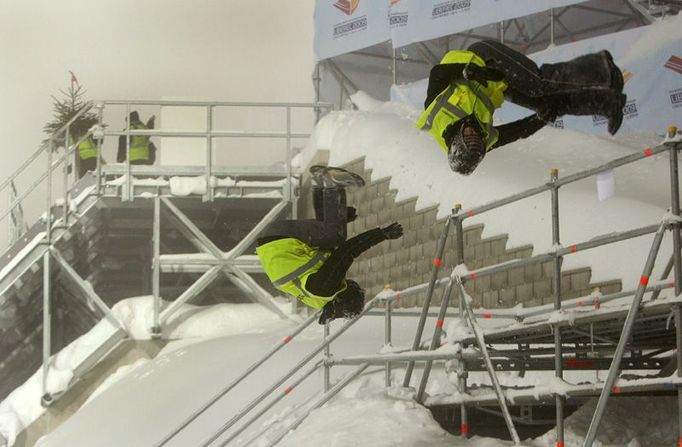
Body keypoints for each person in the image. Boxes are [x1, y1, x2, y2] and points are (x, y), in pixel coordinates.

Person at [417, 39, 627, 175]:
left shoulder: (435, 114)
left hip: (481, 57)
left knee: (537, 84)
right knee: (547, 105)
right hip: (497, 83)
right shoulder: (482, 142)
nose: (474, 130)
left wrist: (469, 71)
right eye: (476, 136)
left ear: (457, 140)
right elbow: (516, 132)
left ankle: (601, 66)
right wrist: (540, 119)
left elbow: (438, 73)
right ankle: (607, 103)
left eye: (469, 133)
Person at [256, 165, 403, 324]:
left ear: (345, 298)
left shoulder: (326, 289)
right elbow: (327, 251)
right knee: (330, 236)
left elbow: (346, 251)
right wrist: (340, 217)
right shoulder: (319, 298)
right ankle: (319, 181)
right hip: (274, 242)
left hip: (282, 240)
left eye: (356, 291)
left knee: (336, 236)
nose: (353, 284)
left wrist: (381, 234)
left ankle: (332, 185)